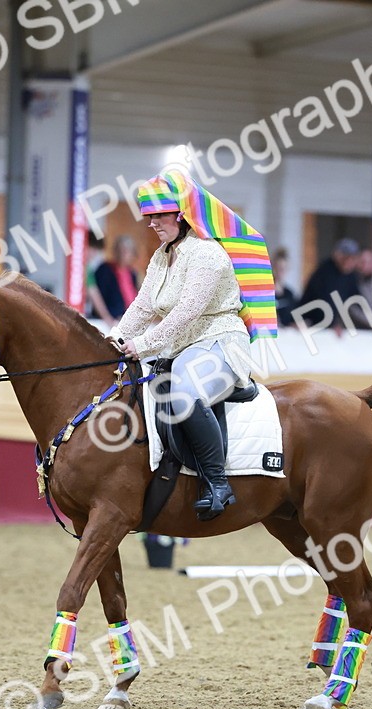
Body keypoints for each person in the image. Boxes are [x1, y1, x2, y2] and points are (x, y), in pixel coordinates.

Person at [109, 168, 277, 521]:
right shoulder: (161, 256)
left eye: (160, 215)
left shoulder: (207, 254)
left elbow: (187, 312)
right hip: (179, 348)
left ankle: (217, 482)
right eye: (149, 216)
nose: (152, 223)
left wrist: (143, 344)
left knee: (184, 392)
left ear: (181, 214)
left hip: (219, 341)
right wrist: (113, 340)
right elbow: (143, 306)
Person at [93, 235, 140, 325]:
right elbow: (98, 298)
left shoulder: (132, 274)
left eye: (127, 250)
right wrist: (110, 318)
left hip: (127, 321)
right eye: (120, 249)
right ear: (115, 251)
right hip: (108, 322)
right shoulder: (105, 270)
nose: (123, 253)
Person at [271, 247, 299, 328]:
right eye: (278, 268)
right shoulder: (266, 293)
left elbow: (292, 319)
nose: (280, 272)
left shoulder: (289, 294)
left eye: (283, 269)